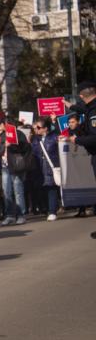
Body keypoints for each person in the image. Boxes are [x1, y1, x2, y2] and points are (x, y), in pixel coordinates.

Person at [66, 81, 96, 238]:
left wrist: (76, 140)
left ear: (83, 96)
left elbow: (94, 138)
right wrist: (70, 106)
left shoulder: (93, 112)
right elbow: (84, 108)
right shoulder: (90, 108)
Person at [0, 121, 31, 226]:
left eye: (2, 125)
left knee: (18, 191)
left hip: (15, 167)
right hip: (5, 167)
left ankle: (21, 215)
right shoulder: (2, 135)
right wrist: (2, 146)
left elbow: (26, 148)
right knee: (6, 192)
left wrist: (13, 146)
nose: (1, 127)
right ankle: (9, 215)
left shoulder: (19, 134)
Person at [31, 117, 60, 222]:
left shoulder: (54, 137)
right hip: (39, 168)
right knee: (44, 189)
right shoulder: (35, 139)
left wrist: (54, 121)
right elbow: (33, 153)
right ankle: (48, 209)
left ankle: (52, 211)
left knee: (51, 188)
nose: (36, 129)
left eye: (38, 127)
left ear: (46, 128)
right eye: (35, 128)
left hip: (52, 167)